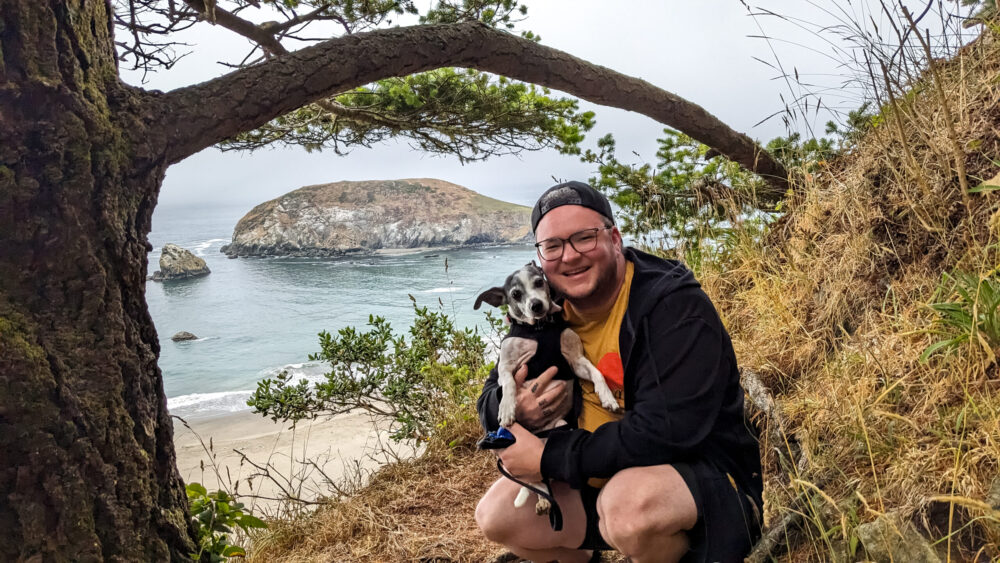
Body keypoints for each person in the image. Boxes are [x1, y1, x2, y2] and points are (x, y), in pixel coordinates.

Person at [474, 181, 763, 563]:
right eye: (553, 246)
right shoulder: (547, 312)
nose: (570, 256)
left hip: (702, 485)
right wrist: (519, 408)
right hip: (596, 475)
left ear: (614, 237)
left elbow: (668, 433)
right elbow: (490, 397)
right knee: (497, 516)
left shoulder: (673, 307)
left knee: (627, 508)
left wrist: (549, 458)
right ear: (540, 258)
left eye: (584, 238)